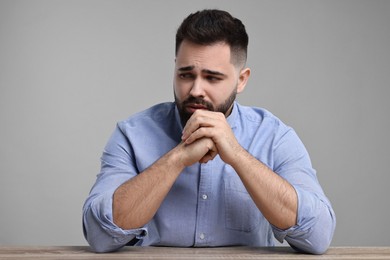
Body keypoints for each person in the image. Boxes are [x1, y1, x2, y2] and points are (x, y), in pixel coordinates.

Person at [82, 9, 336, 254]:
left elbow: (317, 236)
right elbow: (99, 235)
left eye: (212, 78)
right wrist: (177, 158)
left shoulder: (275, 137)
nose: (195, 90)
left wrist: (236, 154)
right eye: (186, 74)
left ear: (241, 80)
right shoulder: (132, 134)